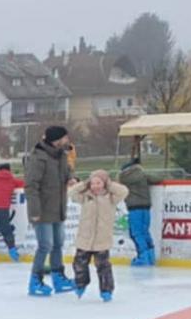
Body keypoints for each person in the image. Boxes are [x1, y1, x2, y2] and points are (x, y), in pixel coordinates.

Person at [24, 126, 75, 297]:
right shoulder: (38, 158)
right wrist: (34, 211)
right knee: (45, 245)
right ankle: (35, 281)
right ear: (56, 139)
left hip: (58, 208)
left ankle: (58, 277)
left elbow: (67, 173)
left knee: (58, 244)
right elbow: (31, 186)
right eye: (65, 137)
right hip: (42, 209)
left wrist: (71, 178)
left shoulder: (61, 155)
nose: (67, 140)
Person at [67, 170, 130, 301]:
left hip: (102, 239)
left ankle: (106, 290)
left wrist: (110, 185)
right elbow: (71, 192)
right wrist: (84, 184)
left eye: (98, 183)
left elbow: (124, 191)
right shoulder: (86, 196)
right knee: (79, 263)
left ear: (105, 183)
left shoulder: (111, 198)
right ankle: (80, 284)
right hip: (84, 238)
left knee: (103, 266)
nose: (95, 186)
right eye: (93, 183)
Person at [118, 158, 162, 266]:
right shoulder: (143, 175)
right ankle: (151, 257)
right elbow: (157, 179)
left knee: (136, 233)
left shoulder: (123, 177)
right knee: (145, 232)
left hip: (133, 208)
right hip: (146, 207)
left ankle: (143, 258)